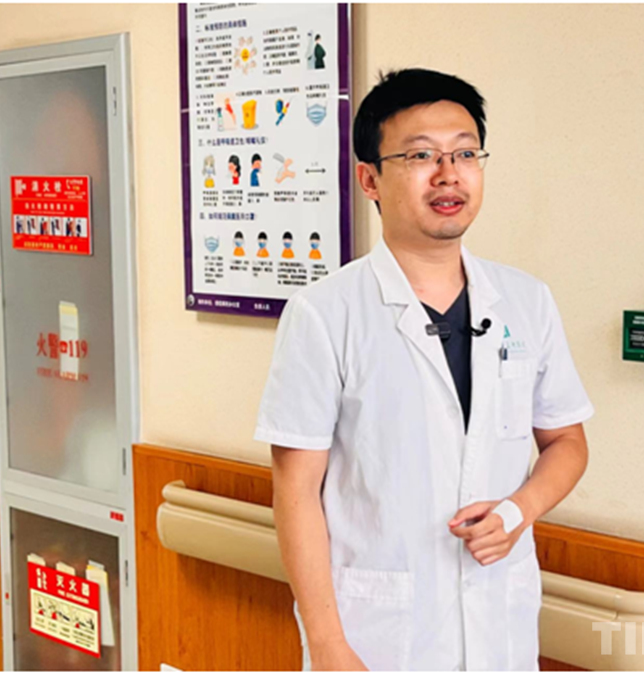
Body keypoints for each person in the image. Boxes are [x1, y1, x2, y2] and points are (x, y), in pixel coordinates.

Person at [254, 68, 594, 671]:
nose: (448, 174)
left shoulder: (526, 301)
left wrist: (519, 510)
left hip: (500, 625)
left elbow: (567, 440)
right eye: (420, 156)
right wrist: (327, 644)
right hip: (376, 637)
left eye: (465, 153)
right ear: (370, 178)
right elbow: (296, 491)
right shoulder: (325, 313)